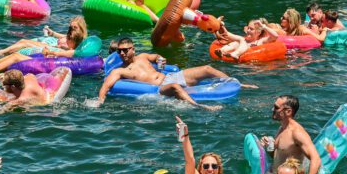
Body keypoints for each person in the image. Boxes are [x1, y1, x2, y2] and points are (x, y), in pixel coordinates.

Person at [97, 38, 247, 111]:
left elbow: (155, 56)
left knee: (207, 68)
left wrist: (160, 59)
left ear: (133, 49)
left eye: (125, 49)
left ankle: (237, 83)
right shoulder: (120, 70)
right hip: (160, 87)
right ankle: (201, 107)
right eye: (119, 51)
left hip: (169, 77)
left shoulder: (142, 56)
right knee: (175, 87)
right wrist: (100, 101)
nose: (122, 53)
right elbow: (106, 85)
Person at [262, 95, 321, 174]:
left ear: (288, 111)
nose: (272, 109)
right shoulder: (282, 128)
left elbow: (316, 159)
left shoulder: (297, 133)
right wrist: (269, 147)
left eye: (276, 107)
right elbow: (281, 157)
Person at [0, 28, 84, 74]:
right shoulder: (72, 49)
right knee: (16, 54)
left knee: (16, 56)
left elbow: (59, 53)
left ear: (73, 42)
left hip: (45, 65)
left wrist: (50, 52)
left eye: (68, 38)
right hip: (46, 62)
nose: (66, 39)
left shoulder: (71, 51)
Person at [0, 17, 88, 58]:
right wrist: (53, 33)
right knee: (23, 40)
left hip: (55, 49)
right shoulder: (70, 35)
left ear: (81, 28)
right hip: (53, 45)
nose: (71, 28)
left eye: (74, 27)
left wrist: (55, 49)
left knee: (25, 44)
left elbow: (73, 51)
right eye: (70, 26)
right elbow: (63, 36)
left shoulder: (79, 39)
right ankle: (3, 53)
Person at [215, 18, 279, 60]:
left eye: (251, 29)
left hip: (251, 66)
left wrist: (263, 26)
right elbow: (227, 35)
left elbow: (275, 36)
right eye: (248, 28)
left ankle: (236, 54)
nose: (248, 30)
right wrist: (220, 26)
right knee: (236, 43)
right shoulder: (244, 39)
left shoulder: (261, 41)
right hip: (239, 64)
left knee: (241, 40)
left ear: (258, 32)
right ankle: (221, 51)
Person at [0, 68, 69, 107]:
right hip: (43, 91)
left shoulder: (21, 99)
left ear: (13, 87)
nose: (4, 87)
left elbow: (2, 110)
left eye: (5, 85)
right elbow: (18, 76)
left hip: (47, 105)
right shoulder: (29, 76)